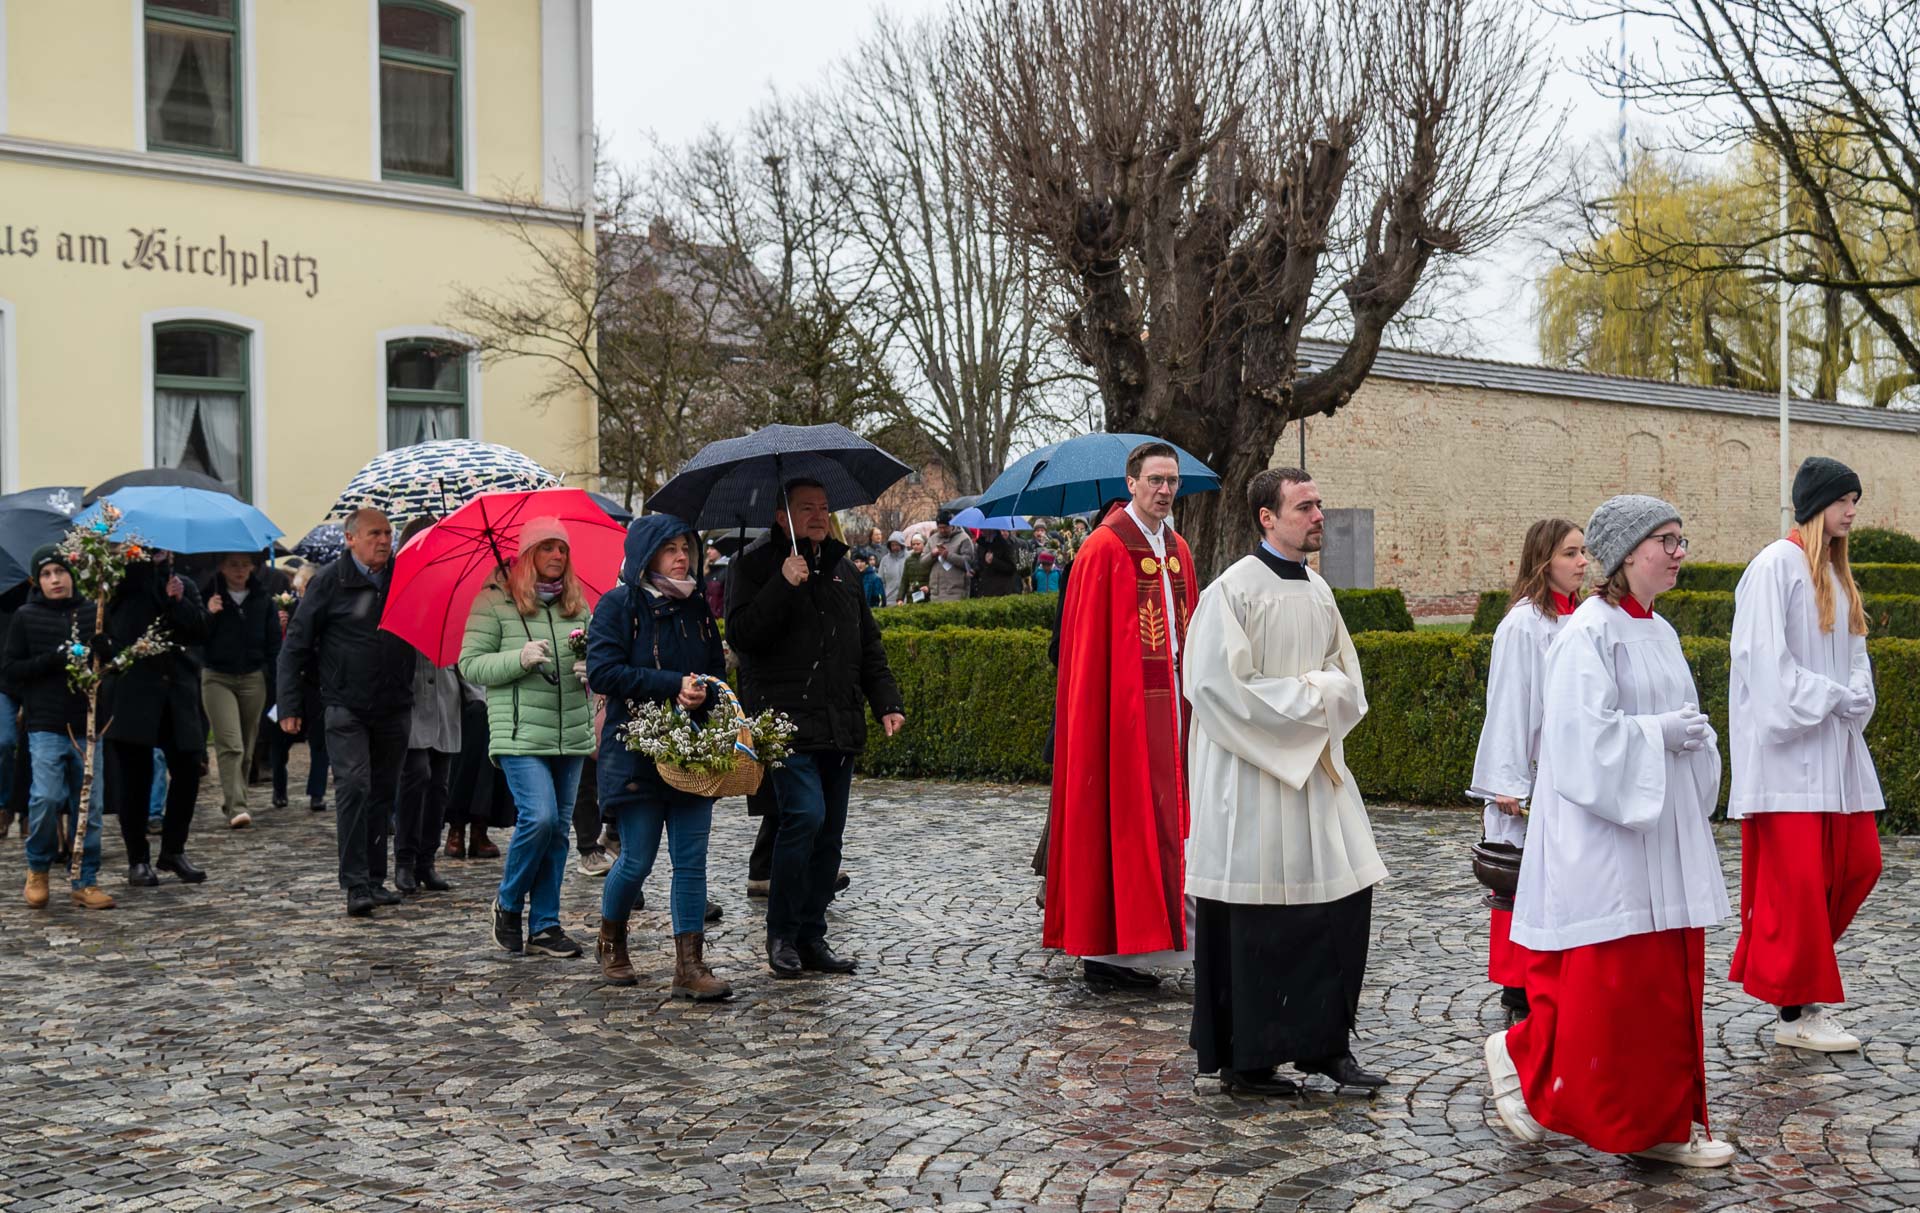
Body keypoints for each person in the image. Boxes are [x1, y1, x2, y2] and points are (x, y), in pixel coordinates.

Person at [1486, 494, 1733, 1168]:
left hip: (1660, 835)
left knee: (1661, 984)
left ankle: (1658, 1121)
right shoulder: (1586, 632)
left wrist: (1695, 737)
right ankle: (1521, 1054)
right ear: (1627, 553)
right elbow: (1576, 743)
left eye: (1682, 539)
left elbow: (1674, 722)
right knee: (1614, 990)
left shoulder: (1661, 630)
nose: (1680, 553)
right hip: (1608, 841)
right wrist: (1660, 733)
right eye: (1668, 540)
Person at [1182, 468, 1387, 1096]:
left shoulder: (1320, 591)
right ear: (1267, 518)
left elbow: (1344, 677)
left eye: (1320, 504)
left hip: (1316, 774)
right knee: (1259, 916)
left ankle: (1326, 1046)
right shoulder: (1232, 593)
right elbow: (1216, 690)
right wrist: (1313, 700)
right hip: (1253, 779)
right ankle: (1250, 1058)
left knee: (1341, 903)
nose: (1318, 514)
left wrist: (1320, 699)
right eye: (1305, 506)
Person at [1727, 457, 1883, 1052]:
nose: (1852, 511)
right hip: (1787, 762)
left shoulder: (1837, 574)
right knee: (1797, 887)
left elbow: (1856, 656)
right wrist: (1833, 697)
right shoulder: (1774, 567)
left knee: (1859, 864)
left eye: (1855, 501)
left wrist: (1854, 696)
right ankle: (1795, 1012)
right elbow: (1764, 665)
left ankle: (1784, 972)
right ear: (1819, 504)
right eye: (1845, 500)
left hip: (1837, 753)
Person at [727, 479, 906, 977]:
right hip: (783, 719)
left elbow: (867, 643)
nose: (819, 516)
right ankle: (781, 935)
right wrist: (783, 584)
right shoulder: (754, 565)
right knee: (802, 817)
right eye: (807, 508)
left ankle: (812, 937)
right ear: (782, 514)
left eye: (824, 508)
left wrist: (886, 700)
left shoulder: (843, 568)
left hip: (838, 719)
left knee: (829, 834)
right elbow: (743, 637)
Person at [1044, 442, 1199, 992]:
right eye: (1155, 480)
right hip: (1120, 719)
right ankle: (1109, 953)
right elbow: (1084, 656)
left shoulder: (1177, 548)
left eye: (1173, 481)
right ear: (1131, 483)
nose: (1165, 490)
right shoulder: (1103, 549)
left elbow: (1190, 632)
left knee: (1172, 826)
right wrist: (1103, 722)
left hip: (1174, 716)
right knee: (1119, 820)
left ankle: (1158, 942)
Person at [587, 516, 732, 998]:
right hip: (635, 752)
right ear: (647, 554)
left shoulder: (696, 607)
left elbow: (713, 671)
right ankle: (611, 942)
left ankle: (690, 967)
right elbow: (604, 671)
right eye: (669, 548)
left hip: (691, 754)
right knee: (638, 860)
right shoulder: (618, 605)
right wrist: (671, 686)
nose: (681, 556)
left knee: (690, 862)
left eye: (685, 546)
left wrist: (703, 695)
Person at [1468, 518, 1588, 1024]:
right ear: (1543, 561)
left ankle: (1560, 972)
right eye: (1570, 554)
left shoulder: (1582, 618)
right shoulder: (1523, 624)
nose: (1583, 563)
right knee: (1522, 878)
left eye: (1584, 553)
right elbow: (1510, 703)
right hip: (1533, 773)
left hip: (1574, 772)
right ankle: (1519, 985)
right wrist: (1507, 783)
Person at [460, 517, 595, 958]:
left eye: (562, 549)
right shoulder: (494, 601)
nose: (557, 556)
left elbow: (601, 655)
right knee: (538, 818)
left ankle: (545, 925)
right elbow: (472, 666)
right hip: (518, 732)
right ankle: (508, 900)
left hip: (570, 731)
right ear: (527, 555)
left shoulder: (577, 604)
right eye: (546, 548)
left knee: (558, 831)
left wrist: (591, 670)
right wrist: (517, 658)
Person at [277, 508, 416, 917]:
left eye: (389, 533)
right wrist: (289, 705)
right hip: (344, 704)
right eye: (375, 533)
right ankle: (355, 883)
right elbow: (296, 646)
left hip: (393, 703)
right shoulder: (329, 583)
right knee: (354, 785)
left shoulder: (401, 579)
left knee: (382, 792)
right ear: (350, 539)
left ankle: (375, 878)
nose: (384, 540)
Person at [8, 547, 113, 910]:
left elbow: (113, 667)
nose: (55, 579)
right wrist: (52, 660)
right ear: (38, 581)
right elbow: (11, 670)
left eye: (61, 572)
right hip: (46, 724)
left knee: (90, 806)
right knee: (46, 797)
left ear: (73, 574)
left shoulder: (93, 612)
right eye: (47, 574)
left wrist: (106, 649)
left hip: (87, 723)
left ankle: (85, 879)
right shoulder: (25, 616)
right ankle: (38, 867)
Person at [100, 546, 210, 888]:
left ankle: (173, 850)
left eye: (162, 546)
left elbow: (201, 630)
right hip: (134, 693)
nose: (157, 551)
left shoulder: (183, 584)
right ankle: (138, 858)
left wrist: (178, 600)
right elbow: (111, 626)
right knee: (135, 777)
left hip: (177, 692)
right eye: (150, 545)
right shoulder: (120, 583)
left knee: (189, 767)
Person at [391, 516, 460, 898]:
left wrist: (474, 694)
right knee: (414, 776)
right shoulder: (396, 587)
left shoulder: (451, 587)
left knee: (440, 785)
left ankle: (426, 861)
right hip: (412, 696)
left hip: (445, 695)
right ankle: (404, 859)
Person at [201, 551, 279, 829]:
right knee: (230, 743)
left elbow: (273, 644)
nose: (239, 570)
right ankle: (237, 806)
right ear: (222, 567)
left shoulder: (263, 600)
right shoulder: (208, 596)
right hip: (217, 677)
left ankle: (234, 798)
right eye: (233, 564)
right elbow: (196, 636)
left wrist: (274, 680)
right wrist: (208, 614)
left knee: (247, 746)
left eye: (245, 565)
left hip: (252, 677)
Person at [926, 513, 975, 603]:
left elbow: (968, 562)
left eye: (945, 527)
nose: (942, 530)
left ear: (952, 525)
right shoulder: (932, 539)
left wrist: (948, 555)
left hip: (955, 592)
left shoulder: (963, 538)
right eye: (940, 527)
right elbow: (922, 562)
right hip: (936, 593)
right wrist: (932, 555)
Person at [974, 529, 1024, 597]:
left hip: (1000, 590)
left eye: (984, 529)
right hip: (984, 588)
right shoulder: (981, 544)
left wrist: (994, 561)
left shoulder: (1005, 544)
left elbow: (1011, 568)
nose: (982, 531)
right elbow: (980, 565)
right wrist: (974, 571)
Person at [899, 533, 934, 604]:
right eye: (913, 544)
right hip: (912, 596)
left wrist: (928, 588)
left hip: (927, 597)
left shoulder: (930, 558)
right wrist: (900, 598)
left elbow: (934, 578)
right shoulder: (909, 560)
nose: (915, 546)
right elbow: (904, 580)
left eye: (918, 544)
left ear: (924, 544)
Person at [877, 532, 909, 606]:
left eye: (897, 545)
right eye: (892, 545)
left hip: (907, 600)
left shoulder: (909, 558)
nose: (894, 547)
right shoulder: (885, 560)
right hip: (889, 600)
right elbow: (881, 581)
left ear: (902, 545)